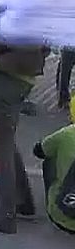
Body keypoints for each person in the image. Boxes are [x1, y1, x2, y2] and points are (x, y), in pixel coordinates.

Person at [0, 20, 49, 233]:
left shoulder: (22, 4)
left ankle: (4, 214)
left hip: (8, 74)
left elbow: (7, 37)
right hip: (20, 73)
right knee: (4, 141)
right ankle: (21, 201)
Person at [33, 96, 75, 234]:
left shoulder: (67, 133)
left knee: (50, 159)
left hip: (62, 218)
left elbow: (38, 151)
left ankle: (55, 200)